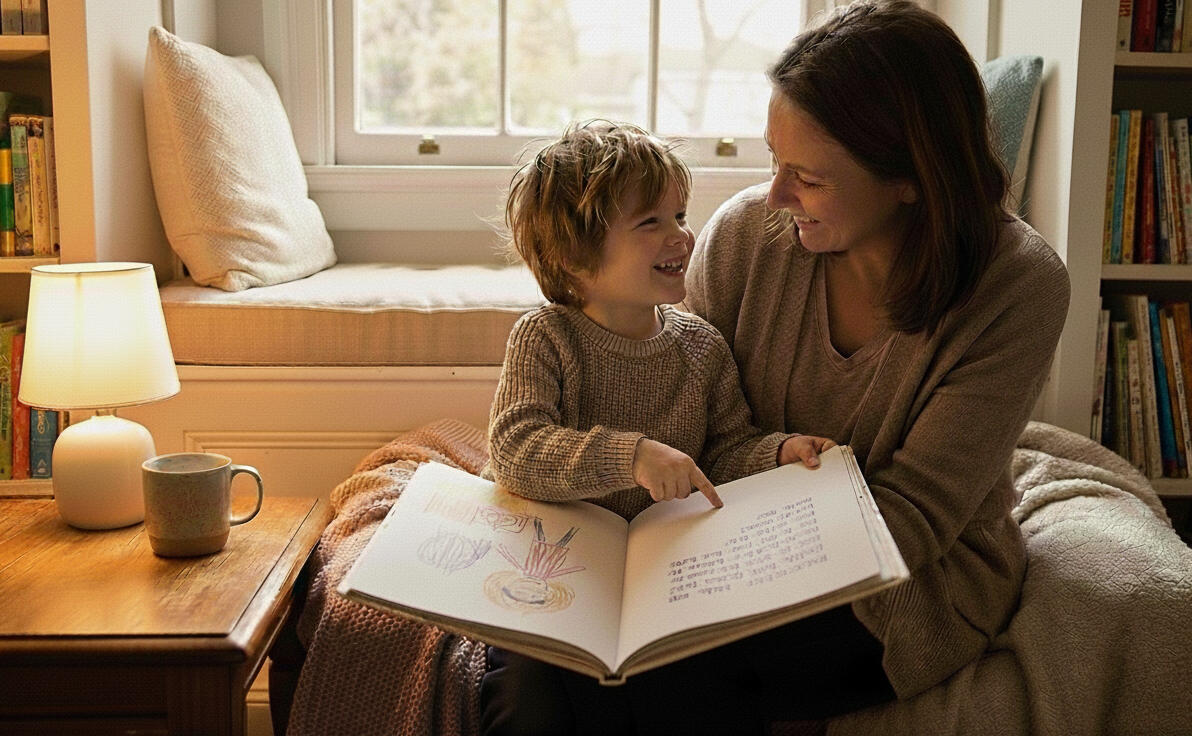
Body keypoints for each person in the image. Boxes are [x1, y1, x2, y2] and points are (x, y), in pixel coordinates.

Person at [687, 0, 1070, 728]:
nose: (775, 195)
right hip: (720, 550)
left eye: (808, 177)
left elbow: (915, 515)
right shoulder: (742, 237)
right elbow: (688, 422)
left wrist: (710, 581)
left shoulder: (1018, 286)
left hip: (907, 583)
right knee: (540, 669)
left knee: (665, 680)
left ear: (911, 178)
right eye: (774, 160)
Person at [480, 119, 836, 735]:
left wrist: (777, 453)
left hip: (663, 583)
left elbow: (724, 453)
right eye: (650, 222)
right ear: (572, 256)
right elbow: (516, 448)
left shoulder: (701, 347)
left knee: (701, 700)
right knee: (527, 710)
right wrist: (632, 456)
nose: (681, 235)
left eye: (679, 215)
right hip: (553, 572)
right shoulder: (545, 337)